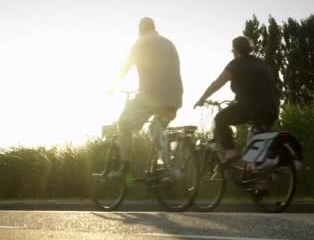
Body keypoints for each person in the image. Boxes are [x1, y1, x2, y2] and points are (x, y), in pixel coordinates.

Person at [106, 17, 183, 177]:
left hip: (150, 97)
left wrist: (111, 87)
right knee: (155, 127)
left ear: (140, 30)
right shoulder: (168, 43)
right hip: (174, 98)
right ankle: (163, 166)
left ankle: (125, 168)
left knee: (124, 124)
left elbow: (124, 68)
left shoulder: (139, 44)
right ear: (154, 28)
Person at [194, 36, 279, 163]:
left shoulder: (236, 64)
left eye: (233, 50)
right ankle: (261, 175)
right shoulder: (261, 63)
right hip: (271, 107)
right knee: (257, 138)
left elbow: (218, 83)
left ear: (235, 50)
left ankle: (230, 152)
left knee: (220, 119)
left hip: (250, 107)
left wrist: (202, 98)